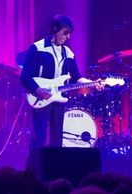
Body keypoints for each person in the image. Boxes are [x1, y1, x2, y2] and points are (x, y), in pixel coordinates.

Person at [20, 15, 103, 156]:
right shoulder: (38, 48)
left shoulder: (68, 53)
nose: (68, 36)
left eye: (69, 33)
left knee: (57, 139)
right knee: (39, 138)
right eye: (65, 32)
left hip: (58, 100)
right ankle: (32, 170)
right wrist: (38, 90)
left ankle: (54, 171)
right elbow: (25, 76)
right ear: (54, 29)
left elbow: (76, 77)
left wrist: (92, 83)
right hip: (40, 98)